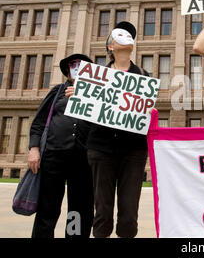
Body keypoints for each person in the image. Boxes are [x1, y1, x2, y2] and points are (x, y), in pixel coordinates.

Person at [66, 21, 149, 238]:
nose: (126, 37)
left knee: (129, 214)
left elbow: (144, 113)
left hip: (134, 152)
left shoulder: (143, 76)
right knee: (102, 211)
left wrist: (149, 110)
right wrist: (80, 94)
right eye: (120, 35)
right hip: (101, 150)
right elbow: (86, 111)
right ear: (110, 47)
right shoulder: (94, 76)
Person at [28, 53, 94, 238]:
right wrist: (34, 149)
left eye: (82, 65)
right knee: (48, 207)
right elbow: (39, 123)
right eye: (74, 64)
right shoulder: (57, 92)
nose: (77, 67)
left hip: (84, 159)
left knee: (79, 210)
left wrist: (86, 95)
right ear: (67, 70)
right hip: (54, 155)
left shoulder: (97, 97)